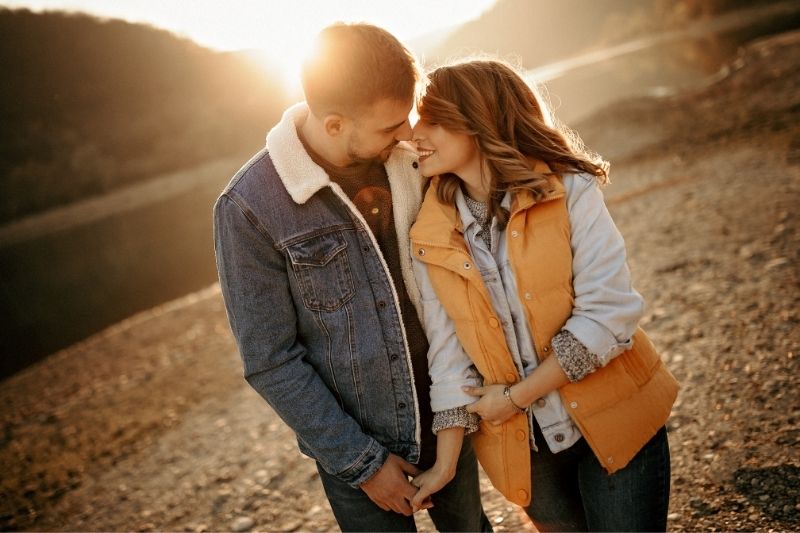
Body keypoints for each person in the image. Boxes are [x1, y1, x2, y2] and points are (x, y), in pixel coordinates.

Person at [212, 23, 491, 532]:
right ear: (336, 123)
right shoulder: (248, 207)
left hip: (448, 412)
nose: (406, 134)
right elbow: (271, 361)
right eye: (390, 126)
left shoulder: (413, 162)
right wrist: (361, 464)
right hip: (356, 446)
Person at [407, 59, 680, 532]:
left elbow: (608, 315)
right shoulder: (428, 233)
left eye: (431, 118)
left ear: (477, 119)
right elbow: (448, 355)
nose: (416, 133)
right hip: (526, 451)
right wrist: (446, 465)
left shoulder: (569, 188)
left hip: (618, 417)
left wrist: (514, 398)